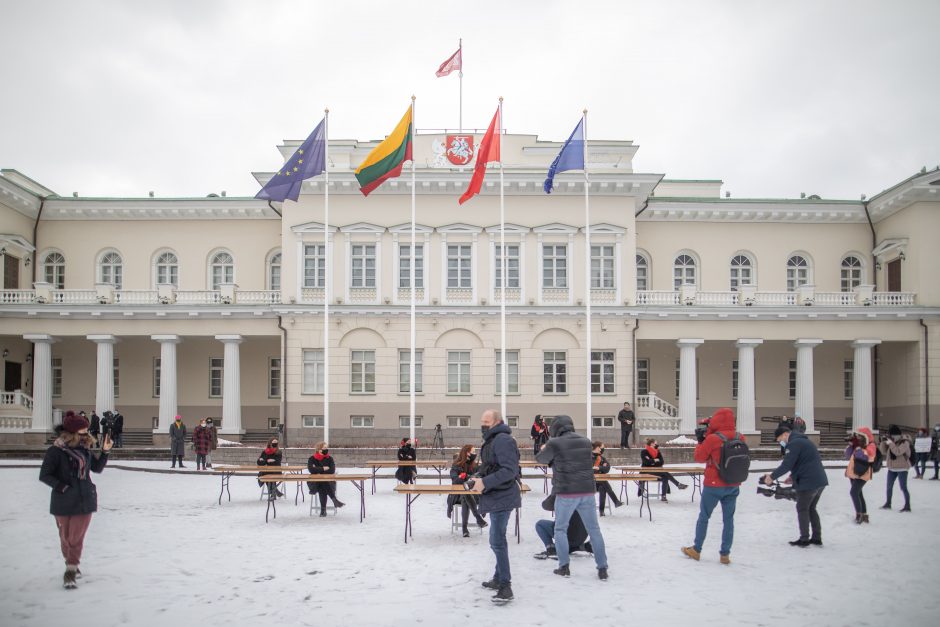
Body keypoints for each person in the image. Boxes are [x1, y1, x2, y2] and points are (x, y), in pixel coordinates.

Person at [39, 410, 112, 589]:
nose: (87, 435)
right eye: (83, 432)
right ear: (71, 433)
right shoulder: (55, 452)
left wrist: (105, 452)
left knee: (75, 537)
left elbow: (97, 469)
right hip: (63, 500)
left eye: (87, 431)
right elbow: (45, 475)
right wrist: (62, 487)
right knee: (65, 537)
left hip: (85, 498)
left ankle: (71, 570)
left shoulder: (85, 450)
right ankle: (70, 560)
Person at [535, 415, 609, 581]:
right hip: (587, 491)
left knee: (560, 529)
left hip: (567, 492)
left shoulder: (555, 443)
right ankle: (602, 568)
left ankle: (564, 566)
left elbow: (540, 459)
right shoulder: (585, 441)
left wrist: (545, 447)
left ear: (556, 428)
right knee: (594, 530)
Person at [465, 409, 521, 603]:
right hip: (498, 495)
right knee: (498, 539)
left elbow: (510, 470)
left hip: (503, 496)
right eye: (482, 420)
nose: (483, 424)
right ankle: (498, 578)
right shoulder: (492, 440)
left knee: (497, 541)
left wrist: (486, 483)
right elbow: (490, 466)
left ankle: (506, 586)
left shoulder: (503, 440)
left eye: (486, 421)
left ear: (497, 422)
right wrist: (478, 477)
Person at [681, 408, 743, 565]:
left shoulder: (713, 439)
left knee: (704, 517)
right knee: (729, 520)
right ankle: (725, 554)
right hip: (733, 483)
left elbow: (699, 457)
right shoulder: (740, 436)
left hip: (714, 484)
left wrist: (702, 439)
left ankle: (697, 549)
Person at [761, 426, 828, 547]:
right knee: (811, 508)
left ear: (786, 434)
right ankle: (816, 537)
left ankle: (804, 539)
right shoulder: (803, 440)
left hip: (809, 482)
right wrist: (792, 476)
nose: (779, 441)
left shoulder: (793, 444)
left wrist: (771, 477)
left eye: (779, 438)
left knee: (802, 508)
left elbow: (786, 464)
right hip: (819, 481)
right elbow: (804, 461)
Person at [534, 493, 593, 559]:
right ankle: (581, 546)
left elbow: (545, 505)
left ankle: (551, 549)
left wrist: (554, 493)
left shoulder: (561, 492)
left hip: (566, 536)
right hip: (582, 536)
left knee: (540, 524)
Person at [448, 444, 487, 536]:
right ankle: (477, 518)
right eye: (473, 452)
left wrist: (471, 477)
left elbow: (481, 477)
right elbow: (454, 480)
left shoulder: (475, 466)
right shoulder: (456, 465)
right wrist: (462, 477)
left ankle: (465, 528)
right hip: (457, 495)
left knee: (466, 495)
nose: (475, 454)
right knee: (464, 493)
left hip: (475, 495)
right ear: (467, 453)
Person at [639, 437, 688, 502]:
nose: (657, 444)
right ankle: (678, 484)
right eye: (655, 443)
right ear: (651, 444)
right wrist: (655, 460)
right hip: (646, 472)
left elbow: (661, 462)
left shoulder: (657, 452)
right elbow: (646, 462)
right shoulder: (644, 452)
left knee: (665, 477)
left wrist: (652, 462)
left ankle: (663, 496)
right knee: (665, 473)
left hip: (657, 472)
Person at [844, 427, 877, 524]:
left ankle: (859, 514)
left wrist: (858, 449)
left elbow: (868, 458)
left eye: (859, 436)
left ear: (864, 436)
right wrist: (851, 446)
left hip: (863, 473)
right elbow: (847, 455)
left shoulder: (871, 445)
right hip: (854, 473)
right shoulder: (858, 445)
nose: (857, 437)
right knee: (859, 493)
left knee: (853, 492)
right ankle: (864, 515)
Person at [879, 425, 913, 512]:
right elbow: (884, 452)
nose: (890, 437)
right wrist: (883, 442)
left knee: (903, 487)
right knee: (889, 487)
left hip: (902, 468)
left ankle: (907, 505)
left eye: (891, 435)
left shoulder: (905, 442)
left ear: (896, 435)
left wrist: (890, 443)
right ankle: (888, 503)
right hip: (892, 468)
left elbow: (897, 452)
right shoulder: (892, 442)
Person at [307, 441, 344, 516]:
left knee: (322, 483)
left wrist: (318, 470)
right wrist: (323, 468)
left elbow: (332, 470)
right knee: (322, 482)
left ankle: (323, 511)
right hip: (314, 483)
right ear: (319, 449)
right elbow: (311, 470)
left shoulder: (330, 458)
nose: (326, 449)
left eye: (327, 448)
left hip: (328, 482)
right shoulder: (312, 459)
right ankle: (334, 500)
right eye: (324, 448)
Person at [591, 441, 623, 515]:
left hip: (599, 483)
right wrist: (600, 469)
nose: (603, 449)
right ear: (598, 448)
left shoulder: (602, 458)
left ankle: (601, 511)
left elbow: (607, 468)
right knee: (603, 482)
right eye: (602, 447)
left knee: (603, 487)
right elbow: (589, 469)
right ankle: (615, 501)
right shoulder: (589, 457)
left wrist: (598, 468)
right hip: (590, 483)